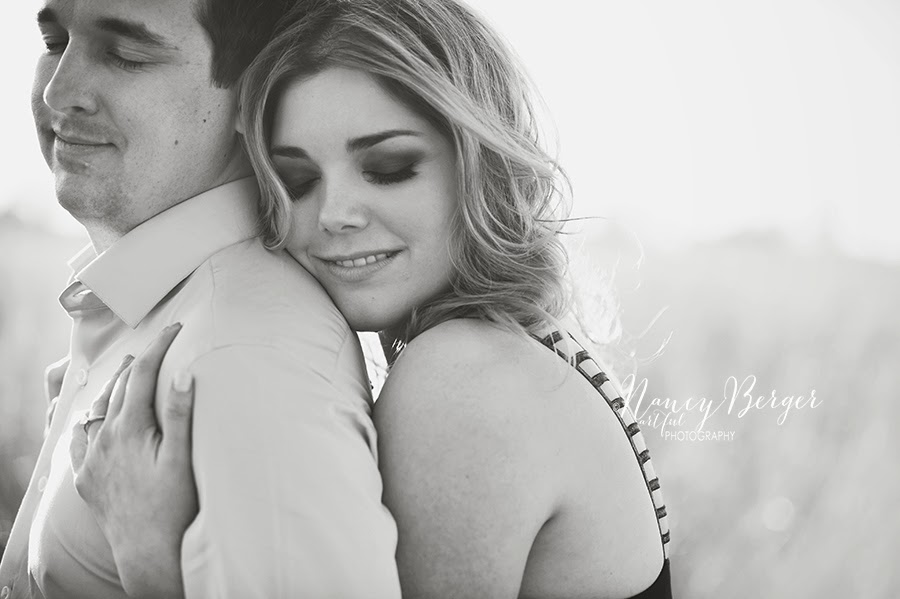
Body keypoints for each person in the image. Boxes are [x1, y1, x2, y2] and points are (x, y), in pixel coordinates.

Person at [74, 0, 673, 597]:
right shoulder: (517, 350)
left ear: (480, 163)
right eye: (297, 181)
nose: (334, 214)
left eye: (388, 167)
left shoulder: (464, 378)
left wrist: (149, 558)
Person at [0, 0, 403, 597]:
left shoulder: (248, 359)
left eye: (125, 54)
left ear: (252, 92)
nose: (59, 93)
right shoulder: (163, 313)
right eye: (55, 42)